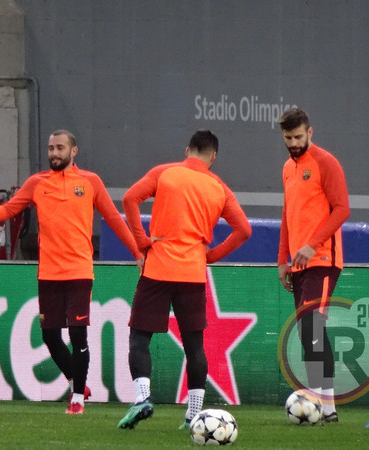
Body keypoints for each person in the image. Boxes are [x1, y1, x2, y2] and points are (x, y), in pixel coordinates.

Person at [0, 129, 143, 415]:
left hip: (79, 271)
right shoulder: (37, 183)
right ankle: (77, 382)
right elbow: (11, 209)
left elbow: (114, 219)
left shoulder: (90, 182)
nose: (54, 153)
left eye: (60, 148)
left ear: (73, 151)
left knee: (78, 335)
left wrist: (137, 253)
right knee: (50, 337)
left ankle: (77, 398)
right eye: (51, 148)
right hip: (49, 273)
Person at [117, 130, 251, 430]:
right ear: (213, 156)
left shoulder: (165, 172)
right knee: (194, 346)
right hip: (192, 272)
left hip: (158, 268)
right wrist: (211, 255)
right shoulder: (219, 187)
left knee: (140, 336)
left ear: (187, 150)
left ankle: (142, 398)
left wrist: (142, 241)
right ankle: (193, 414)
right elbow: (244, 230)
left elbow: (129, 199)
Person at [276, 108, 350, 423]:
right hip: (298, 263)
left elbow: (342, 209)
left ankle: (316, 403)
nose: (293, 143)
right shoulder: (287, 169)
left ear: (310, 132)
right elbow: (287, 214)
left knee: (311, 327)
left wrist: (312, 244)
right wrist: (282, 259)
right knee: (309, 331)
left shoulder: (326, 162)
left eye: (298, 136)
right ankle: (327, 410)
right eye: (288, 138)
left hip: (323, 260)